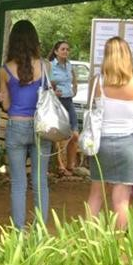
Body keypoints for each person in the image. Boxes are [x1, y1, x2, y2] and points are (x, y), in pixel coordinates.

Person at [87, 36, 133, 230]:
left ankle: (90, 242)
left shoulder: (97, 81)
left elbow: (92, 110)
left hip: (101, 142)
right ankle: (119, 245)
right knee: (122, 198)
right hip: (129, 143)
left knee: (96, 193)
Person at [0, 20, 52, 230]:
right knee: (40, 183)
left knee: (18, 184)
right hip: (41, 128)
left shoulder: (5, 70)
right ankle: (40, 232)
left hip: (16, 126)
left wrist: (3, 98)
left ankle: (18, 231)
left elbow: (7, 104)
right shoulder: (45, 66)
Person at [49, 40, 80, 176]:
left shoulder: (69, 65)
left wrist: (75, 87)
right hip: (57, 101)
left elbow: (73, 79)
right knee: (58, 136)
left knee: (74, 134)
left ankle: (71, 166)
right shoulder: (50, 66)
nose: (65, 51)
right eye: (62, 49)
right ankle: (60, 166)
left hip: (69, 100)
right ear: (56, 51)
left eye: (67, 49)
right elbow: (47, 85)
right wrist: (53, 91)